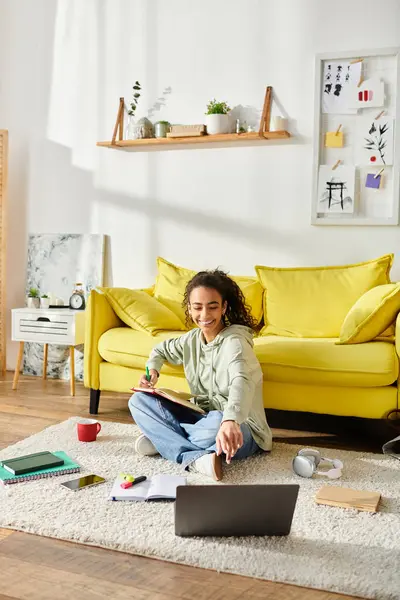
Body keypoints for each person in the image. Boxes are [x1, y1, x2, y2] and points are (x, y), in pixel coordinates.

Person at [128, 269, 272, 481]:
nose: (204, 315)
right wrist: (153, 371)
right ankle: (195, 457)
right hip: (202, 417)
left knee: (215, 423)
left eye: (212, 307)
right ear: (189, 308)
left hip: (240, 427)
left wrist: (230, 420)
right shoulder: (191, 340)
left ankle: (165, 440)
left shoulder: (235, 342)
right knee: (138, 401)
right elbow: (159, 350)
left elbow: (241, 381)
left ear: (224, 307)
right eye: (197, 307)